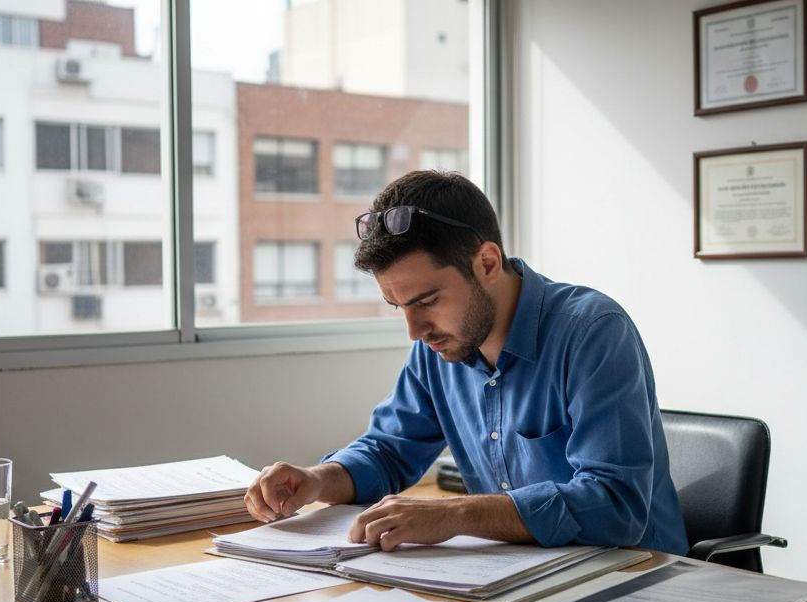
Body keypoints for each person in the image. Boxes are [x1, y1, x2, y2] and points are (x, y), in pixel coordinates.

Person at [244, 170, 687, 555]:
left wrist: (456, 514)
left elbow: (616, 506)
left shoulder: (593, 331)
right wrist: (319, 479)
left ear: (487, 263)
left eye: (427, 301)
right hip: (519, 576)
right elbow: (389, 452)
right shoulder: (438, 347)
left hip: (636, 577)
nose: (414, 330)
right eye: (399, 306)